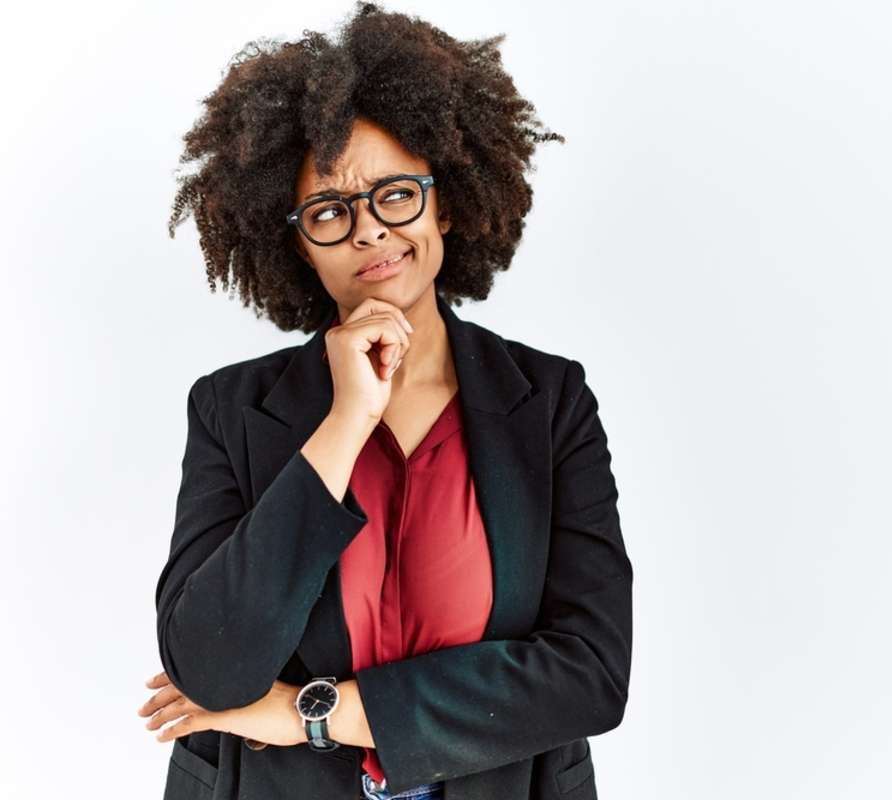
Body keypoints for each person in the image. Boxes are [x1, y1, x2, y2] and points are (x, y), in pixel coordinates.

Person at [135, 4, 632, 799]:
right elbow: (214, 665)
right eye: (330, 212)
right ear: (296, 244)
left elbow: (590, 674)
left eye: (395, 194)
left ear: (446, 203)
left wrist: (311, 713)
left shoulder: (550, 402)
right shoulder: (231, 409)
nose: (368, 231)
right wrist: (345, 421)